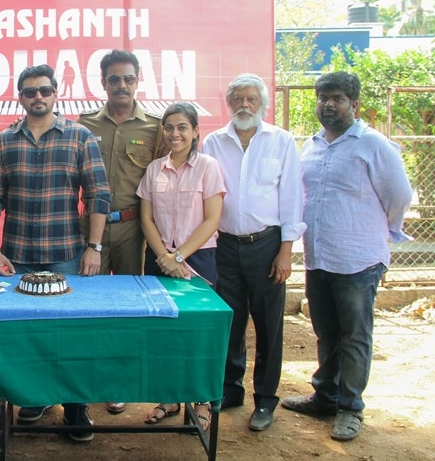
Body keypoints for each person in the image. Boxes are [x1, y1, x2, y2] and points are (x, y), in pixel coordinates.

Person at [0, 64, 111, 442]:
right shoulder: (2, 143)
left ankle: (75, 407)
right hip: (17, 258)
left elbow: (98, 194)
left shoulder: (80, 137)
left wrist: (93, 247)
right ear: (19, 97)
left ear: (56, 94)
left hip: (68, 257)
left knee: (71, 333)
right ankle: (35, 395)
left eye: (45, 90)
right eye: (30, 91)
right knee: (25, 333)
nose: (38, 97)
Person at [281, 72, 413, 441]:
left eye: (336, 98)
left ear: (353, 104)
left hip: (359, 260)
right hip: (319, 257)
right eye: (322, 97)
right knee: (325, 332)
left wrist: (376, 231)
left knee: (354, 335)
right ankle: (325, 396)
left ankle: (351, 408)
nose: (328, 104)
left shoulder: (374, 145)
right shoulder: (312, 146)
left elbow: (399, 196)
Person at [202, 73, 306, 432]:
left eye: (251, 99)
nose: (244, 105)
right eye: (238, 99)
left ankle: (265, 400)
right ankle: (231, 390)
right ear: (228, 104)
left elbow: (292, 198)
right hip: (226, 246)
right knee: (230, 322)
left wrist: (286, 251)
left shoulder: (281, 141)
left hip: (267, 246)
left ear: (262, 104)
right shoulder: (213, 143)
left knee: (268, 326)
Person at [77, 49, 163, 414]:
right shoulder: (83, 125)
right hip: (88, 229)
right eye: (114, 79)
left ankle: (118, 380)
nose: (122, 85)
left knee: (128, 307)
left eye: (128, 78)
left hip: (132, 228)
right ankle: (86, 378)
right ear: (103, 83)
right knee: (87, 306)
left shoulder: (155, 128)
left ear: (138, 80)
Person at [137, 102, 226, 428]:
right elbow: (146, 218)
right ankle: (170, 398)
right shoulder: (154, 169)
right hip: (159, 258)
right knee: (165, 330)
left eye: (182, 127)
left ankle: (201, 402)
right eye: (170, 127)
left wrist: (178, 257)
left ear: (195, 131)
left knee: (197, 332)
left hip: (198, 258)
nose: (175, 134)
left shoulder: (208, 166)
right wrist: (163, 256)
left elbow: (212, 219)